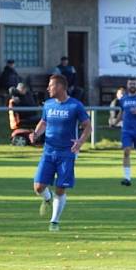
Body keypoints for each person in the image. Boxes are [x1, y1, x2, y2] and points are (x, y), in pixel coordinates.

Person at [30, 74, 92, 232]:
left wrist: (80, 142)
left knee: (60, 188)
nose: (48, 88)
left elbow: (87, 126)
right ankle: (47, 198)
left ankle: (54, 221)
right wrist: (36, 134)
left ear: (60, 87)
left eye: (50, 85)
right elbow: (43, 122)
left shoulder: (75, 106)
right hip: (48, 151)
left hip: (66, 153)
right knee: (38, 187)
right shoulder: (48, 104)